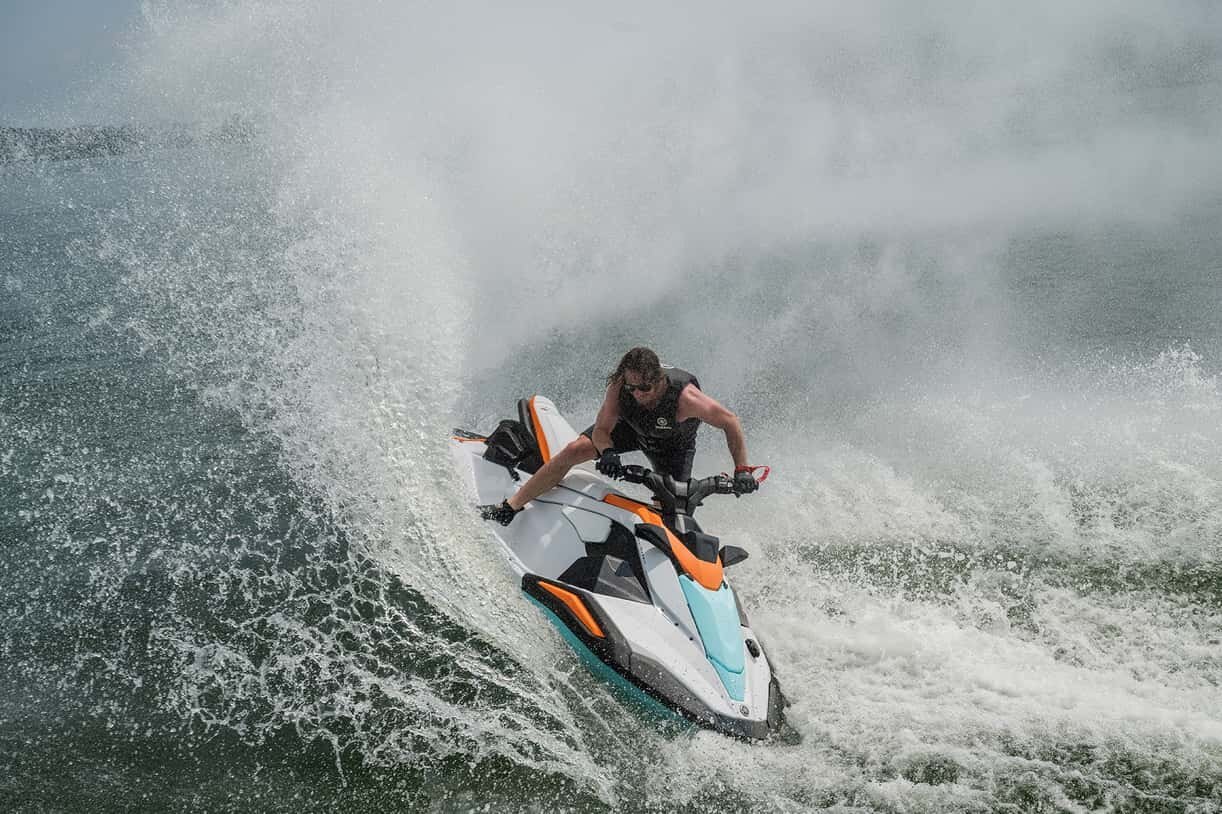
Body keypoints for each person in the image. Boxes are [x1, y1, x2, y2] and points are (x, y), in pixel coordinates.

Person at [484, 346, 759, 525]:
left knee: (674, 510)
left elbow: (730, 422)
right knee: (574, 450)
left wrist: (742, 470)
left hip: (673, 446)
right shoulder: (620, 386)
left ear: (659, 380)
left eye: (644, 388)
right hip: (630, 430)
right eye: (632, 388)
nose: (637, 394)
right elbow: (602, 429)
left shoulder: (687, 398)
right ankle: (511, 506)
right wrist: (608, 453)